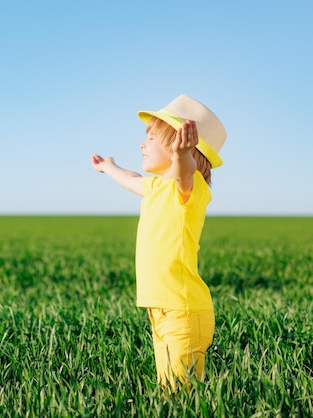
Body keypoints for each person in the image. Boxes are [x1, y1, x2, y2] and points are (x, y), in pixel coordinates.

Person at [91, 94, 227, 390]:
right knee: (169, 392)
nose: (142, 143)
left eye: (151, 137)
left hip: (184, 312)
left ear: (183, 144)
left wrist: (182, 155)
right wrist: (108, 166)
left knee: (182, 396)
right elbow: (131, 179)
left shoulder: (192, 190)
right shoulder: (157, 187)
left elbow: (184, 173)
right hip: (162, 310)